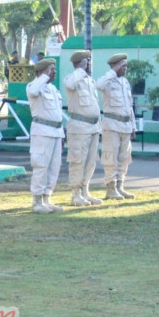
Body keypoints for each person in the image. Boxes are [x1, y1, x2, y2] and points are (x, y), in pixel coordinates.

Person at [63, 50, 103, 206]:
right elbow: (70, 84)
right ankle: (76, 193)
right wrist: (80, 68)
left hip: (93, 126)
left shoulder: (90, 81)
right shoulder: (72, 78)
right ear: (78, 62)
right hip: (79, 127)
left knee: (90, 161)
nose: (89, 63)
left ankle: (85, 190)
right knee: (77, 160)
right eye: (86, 60)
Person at [26, 58, 65, 213]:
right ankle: (37, 201)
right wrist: (44, 76)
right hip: (42, 132)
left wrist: (62, 134)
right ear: (41, 72)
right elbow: (33, 91)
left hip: (56, 132)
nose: (53, 73)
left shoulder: (53, 90)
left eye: (53, 70)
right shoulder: (34, 86)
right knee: (41, 165)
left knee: (54, 167)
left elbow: (57, 114)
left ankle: (47, 198)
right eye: (50, 70)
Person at [96, 53, 137, 200]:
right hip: (112, 125)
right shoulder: (107, 81)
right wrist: (112, 72)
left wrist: (133, 126)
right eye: (123, 66)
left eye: (125, 65)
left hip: (125, 125)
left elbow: (129, 106)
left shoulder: (125, 83)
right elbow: (98, 85)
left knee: (124, 158)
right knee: (111, 157)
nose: (125, 68)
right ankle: (111, 188)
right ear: (116, 66)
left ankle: (120, 186)